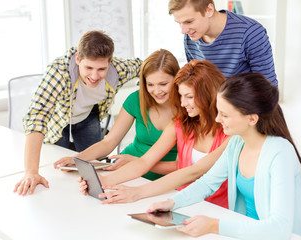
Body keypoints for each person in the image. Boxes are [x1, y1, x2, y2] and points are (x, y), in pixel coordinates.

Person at [148, 72, 301, 239]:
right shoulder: (236, 144)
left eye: (225, 115)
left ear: (252, 119)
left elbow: (279, 228)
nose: (218, 119)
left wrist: (214, 226)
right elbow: (207, 183)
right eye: (218, 112)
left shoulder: (281, 152)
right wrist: (171, 203)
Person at [80, 60, 230, 209]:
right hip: (182, 202)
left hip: (216, 208)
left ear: (209, 94)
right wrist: (103, 180)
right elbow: (145, 162)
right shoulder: (181, 124)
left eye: (189, 97)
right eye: (181, 96)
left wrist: (137, 192)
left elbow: (194, 172)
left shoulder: (231, 133)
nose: (183, 103)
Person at [14, 30, 142, 196]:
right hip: (59, 121)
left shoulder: (119, 69)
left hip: (88, 117)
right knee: (59, 171)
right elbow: (37, 116)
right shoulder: (59, 73)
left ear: (110, 63)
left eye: (101, 69)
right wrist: (31, 172)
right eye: (88, 67)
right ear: (77, 59)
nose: (94, 76)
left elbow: (145, 66)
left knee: (91, 171)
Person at [54, 49, 179, 181]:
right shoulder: (136, 99)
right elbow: (109, 142)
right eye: (150, 84)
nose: (157, 91)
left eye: (163, 84)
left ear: (177, 79)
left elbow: (181, 166)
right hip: (126, 168)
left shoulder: (189, 108)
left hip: (165, 177)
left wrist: (135, 161)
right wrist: (77, 159)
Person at [168, 0, 278, 86]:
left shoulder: (250, 32)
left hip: (243, 110)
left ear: (209, 10)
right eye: (179, 23)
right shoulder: (190, 37)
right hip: (210, 110)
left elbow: (268, 88)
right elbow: (195, 83)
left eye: (189, 21)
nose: (183, 31)